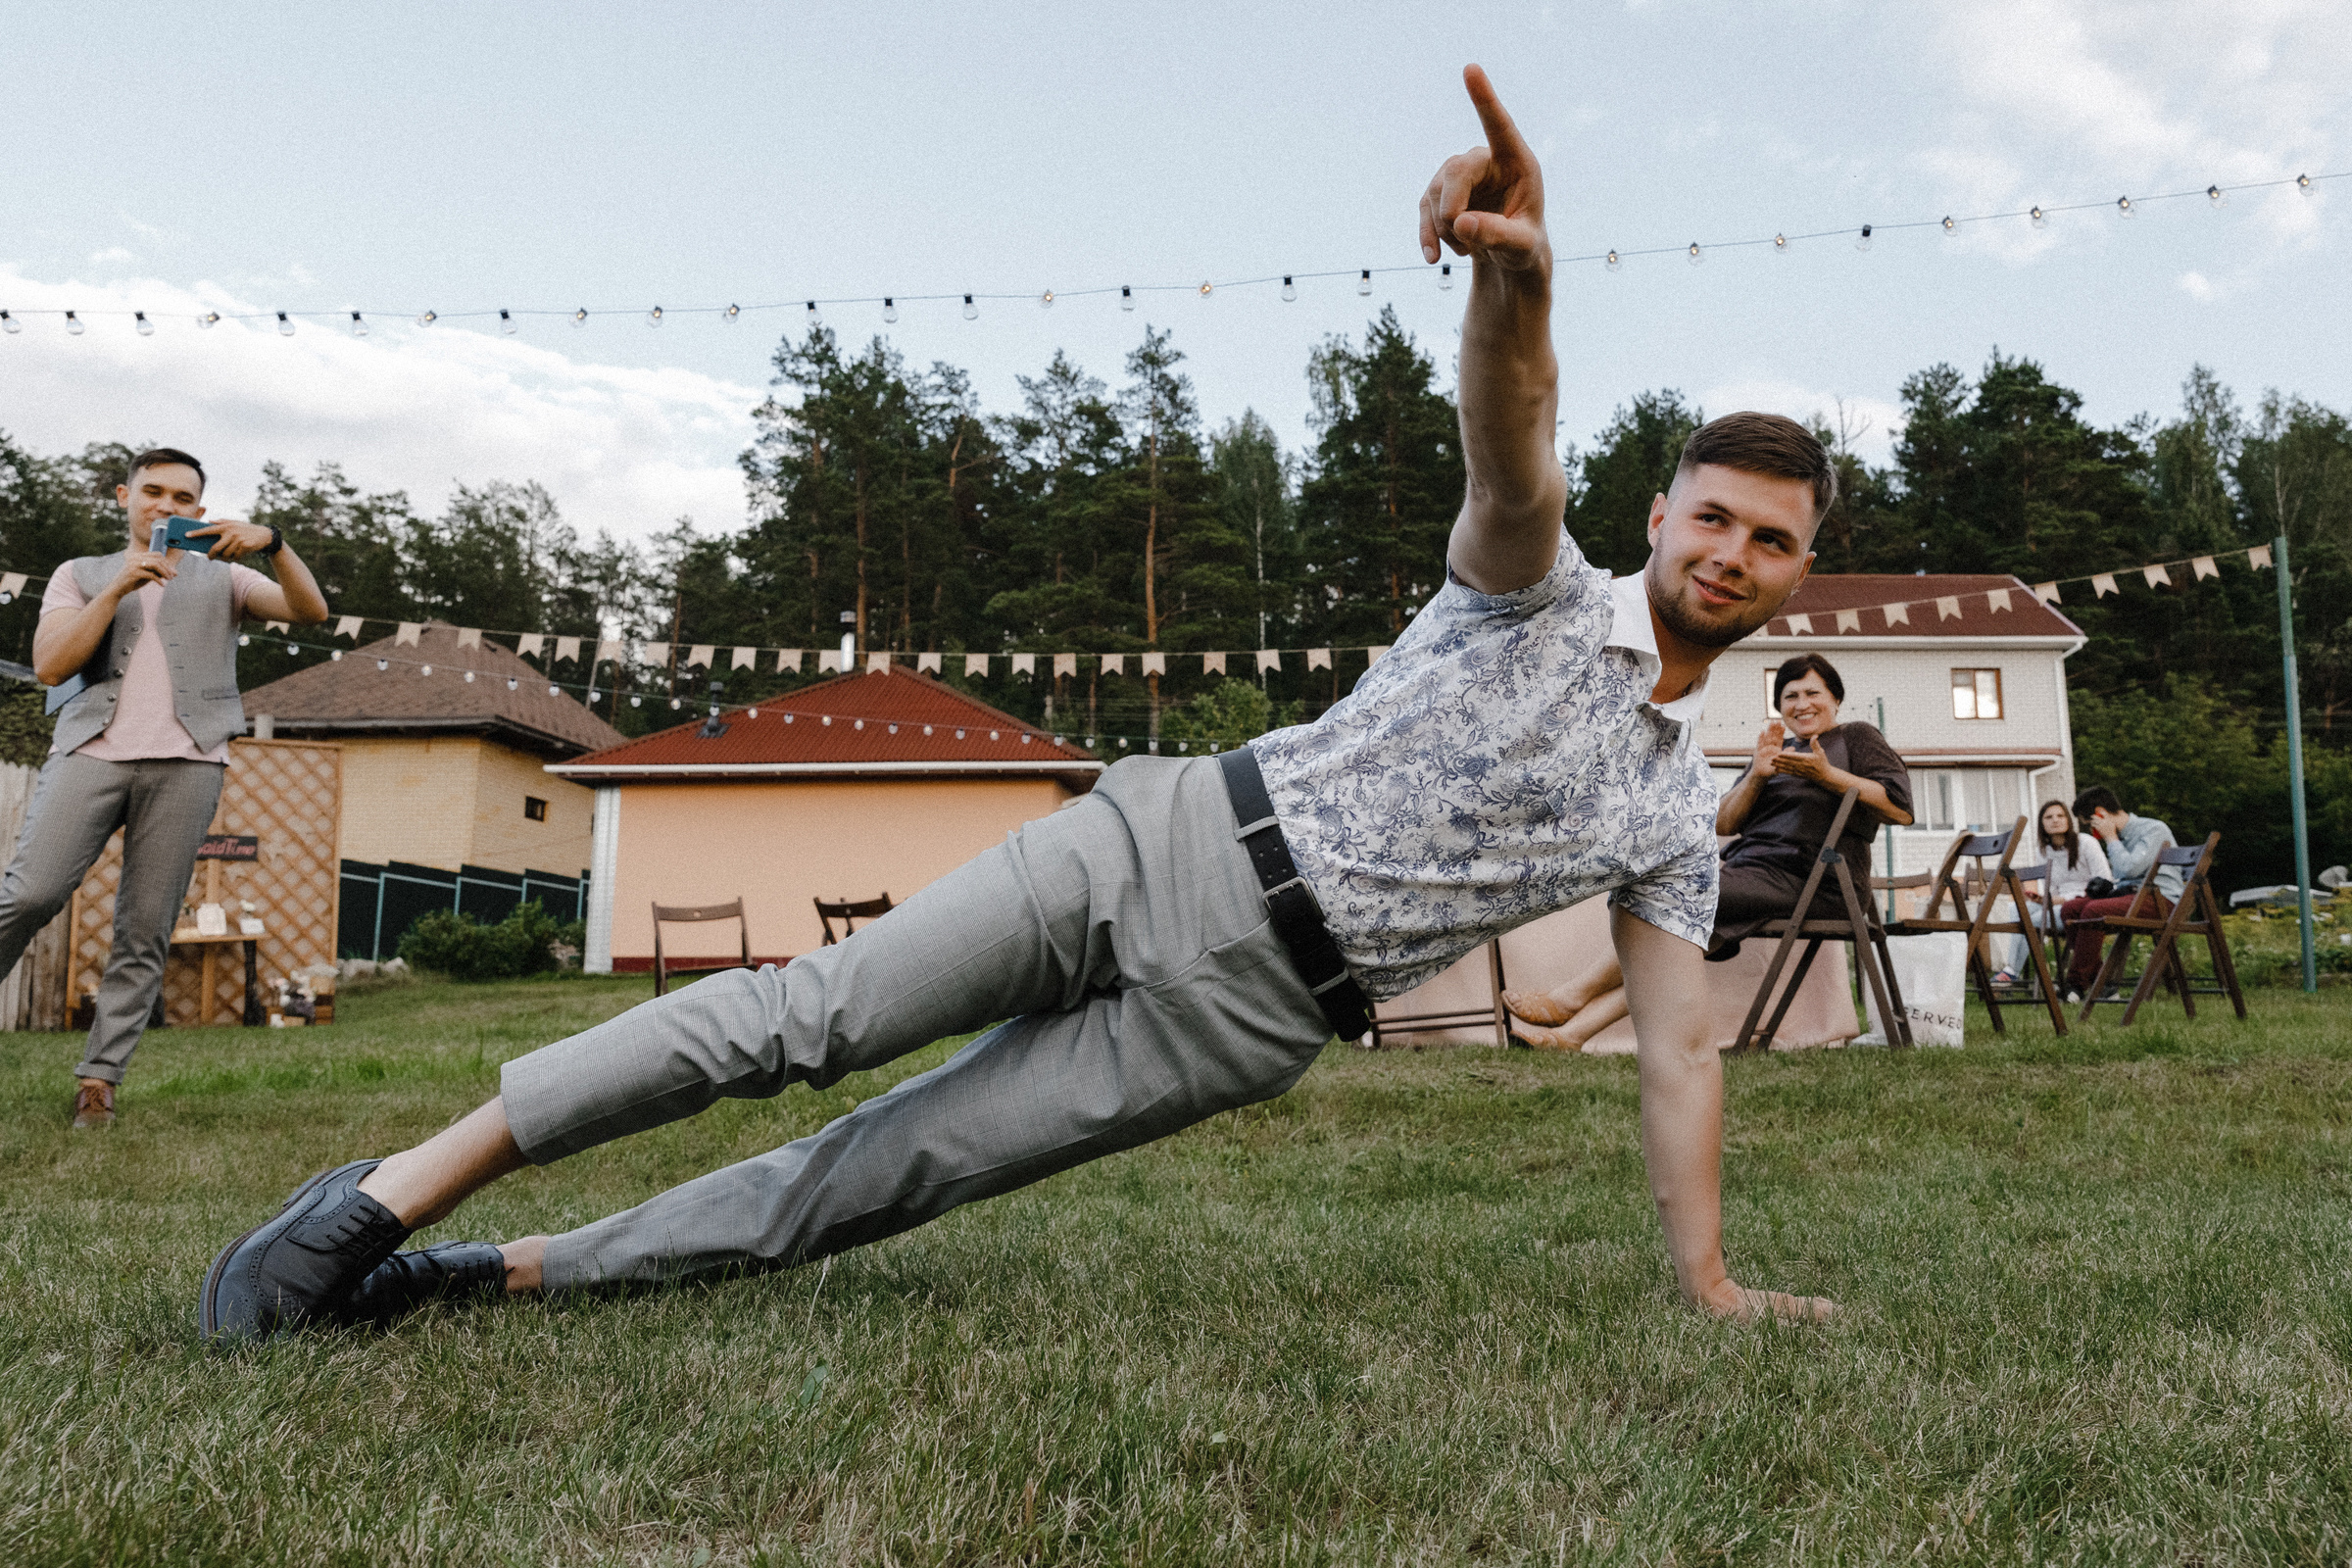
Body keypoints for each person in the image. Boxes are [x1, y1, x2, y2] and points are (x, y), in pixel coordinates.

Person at [201, 65, 1843, 1344]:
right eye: (1713, 515)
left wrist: (1705, 1279)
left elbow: (1681, 1050)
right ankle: (372, 1206)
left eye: (1771, 541)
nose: (1733, 551)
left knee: (864, 1182)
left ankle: (482, 1277)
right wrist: (1521, 286)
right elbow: (1513, 436)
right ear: (1661, 515)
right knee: (801, 1023)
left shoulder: (1666, 815)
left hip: (1247, 1021)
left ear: (1794, 579)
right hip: (1161, 843)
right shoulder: (1533, 586)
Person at [3, 449, 328, 1127]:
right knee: (29, 892)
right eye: (153, 492)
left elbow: (311, 612)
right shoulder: (79, 574)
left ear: (199, 513)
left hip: (189, 763)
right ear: (125, 496)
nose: (166, 506)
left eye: (182, 498)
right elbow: (50, 665)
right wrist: (119, 587)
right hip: (91, 752)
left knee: (145, 929)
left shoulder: (225, 579)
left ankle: (99, 1082)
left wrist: (275, 545)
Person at [1501, 652, 1911, 1050]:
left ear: (1835, 699)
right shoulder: (1774, 751)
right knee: (1675, 939)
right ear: (1780, 708)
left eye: (1813, 693)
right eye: (1790, 696)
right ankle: (1569, 1037)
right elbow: (1724, 824)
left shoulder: (1856, 737)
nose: (1802, 704)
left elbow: (1900, 809)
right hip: (1751, 873)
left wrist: (1828, 775)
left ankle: (1570, 998)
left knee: (1675, 896)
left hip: (1818, 881)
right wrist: (1757, 775)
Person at [2058, 786, 2181, 1001]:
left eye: (2091, 826)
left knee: (2093, 910)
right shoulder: (2120, 837)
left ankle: (2076, 985)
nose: (2092, 833)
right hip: (2130, 895)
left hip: (2161, 899)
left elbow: (2130, 868)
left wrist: (2110, 838)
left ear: (2101, 814)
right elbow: (2123, 876)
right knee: (2071, 909)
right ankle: (2103, 984)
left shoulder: (2153, 829)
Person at [1988, 800, 2109, 987]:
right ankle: (2008, 969)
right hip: (2056, 904)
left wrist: (2058, 900)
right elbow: (2050, 890)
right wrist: (2043, 899)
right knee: (2013, 909)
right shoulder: (2044, 851)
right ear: (2042, 824)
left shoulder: (2086, 843)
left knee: (2029, 921)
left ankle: (2011, 972)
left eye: (2060, 816)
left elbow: (2104, 883)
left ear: (2068, 820)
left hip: (2082, 905)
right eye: (2049, 817)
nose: (2055, 820)